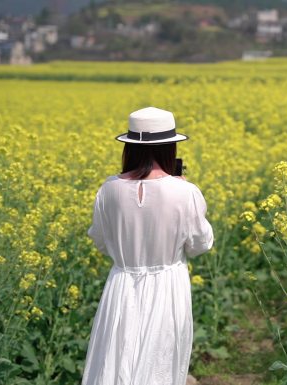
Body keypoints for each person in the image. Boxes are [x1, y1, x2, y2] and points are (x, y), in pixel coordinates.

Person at [81, 106, 213, 385]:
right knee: (161, 362)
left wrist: (129, 252)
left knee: (116, 359)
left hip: (121, 282)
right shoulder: (185, 192)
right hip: (168, 284)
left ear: (129, 148)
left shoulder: (108, 189)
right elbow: (201, 244)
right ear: (170, 148)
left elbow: (101, 242)